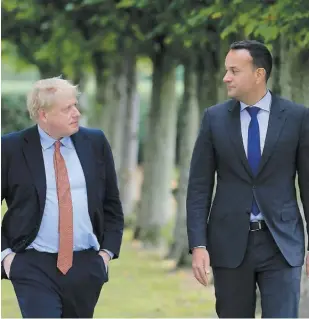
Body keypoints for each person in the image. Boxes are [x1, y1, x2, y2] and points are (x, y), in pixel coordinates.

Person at [186, 40, 309, 318]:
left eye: (234, 70)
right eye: (226, 70)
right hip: (229, 243)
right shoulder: (214, 119)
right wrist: (198, 245)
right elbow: (199, 188)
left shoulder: (297, 118)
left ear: (259, 74)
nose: (225, 77)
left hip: (282, 244)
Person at [1, 77, 124, 318]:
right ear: (43, 115)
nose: (76, 113)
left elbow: (111, 203)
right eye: (67, 108)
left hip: (86, 265)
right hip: (32, 264)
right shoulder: (10, 148)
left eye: (75, 105)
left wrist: (105, 255)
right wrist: (7, 258)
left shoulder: (95, 142)